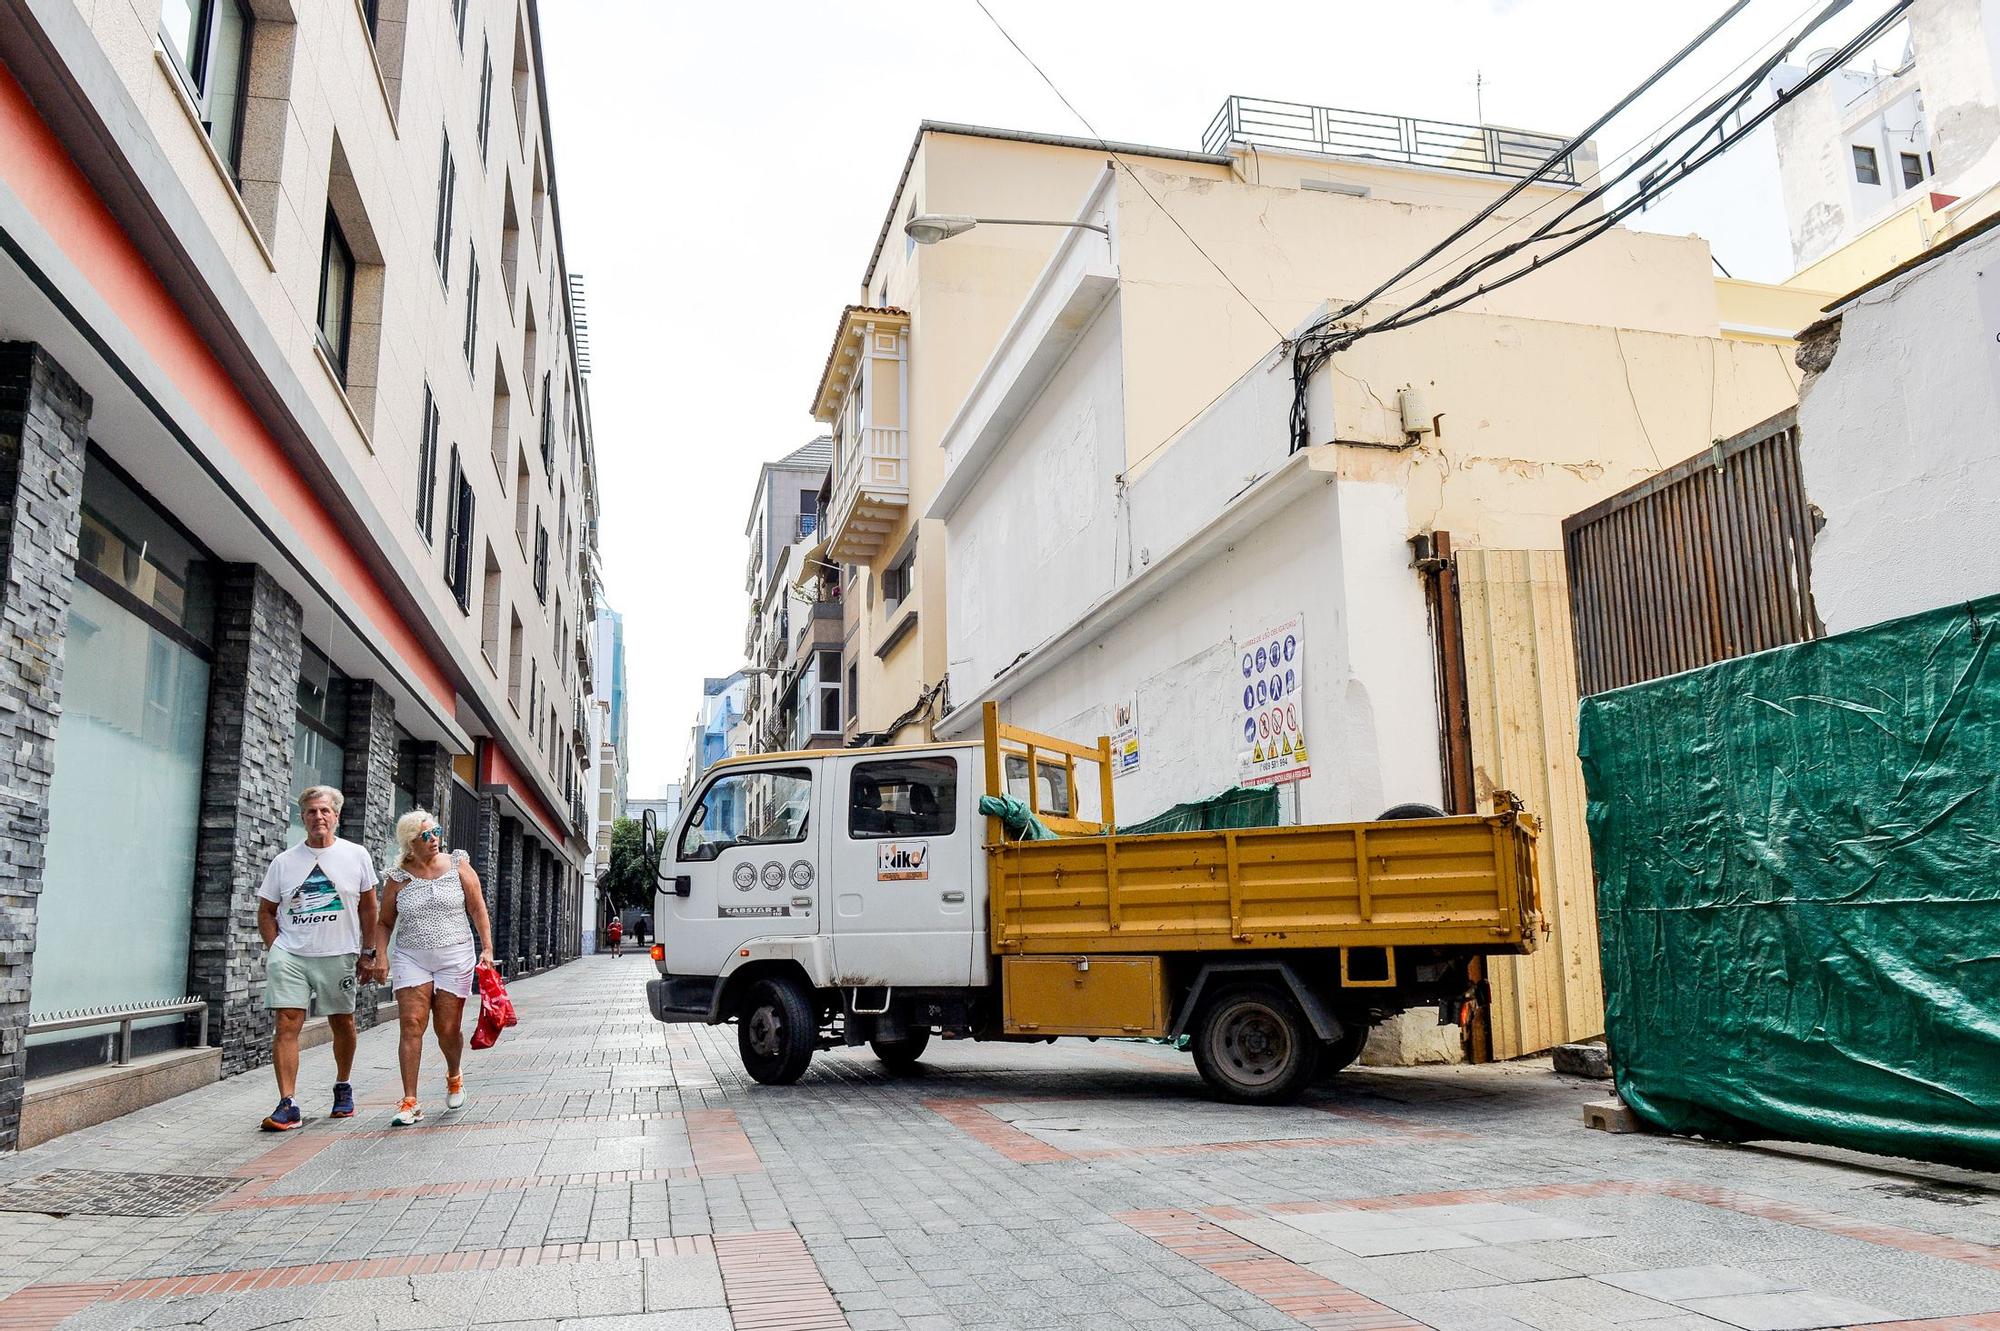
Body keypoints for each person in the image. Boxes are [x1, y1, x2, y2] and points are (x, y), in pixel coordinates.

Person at [256, 786, 382, 1131]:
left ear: (336, 816)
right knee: (287, 1023)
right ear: (303, 818)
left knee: (342, 1023)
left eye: (325, 811)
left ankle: (343, 1085)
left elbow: (369, 906)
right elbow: (266, 911)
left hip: (338, 954)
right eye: (311, 812)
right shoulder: (284, 862)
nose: (318, 817)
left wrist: (369, 952)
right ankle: (288, 1103)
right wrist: (275, 948)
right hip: (291, 955)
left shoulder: (356, 855)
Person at [377, 809, 494, 1125]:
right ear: (410, 843)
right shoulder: (398, 877)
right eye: (425, 836)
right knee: (412, 1023)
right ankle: (409, 1101)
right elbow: (385, 922)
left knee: (447, 1029)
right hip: (411, 956)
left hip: (454, 956)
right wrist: (381, 955)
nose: (433, 840)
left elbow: (477, 907)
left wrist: (487, 948)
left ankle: (454, 1075)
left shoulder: (457, 865)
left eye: (436, 832)